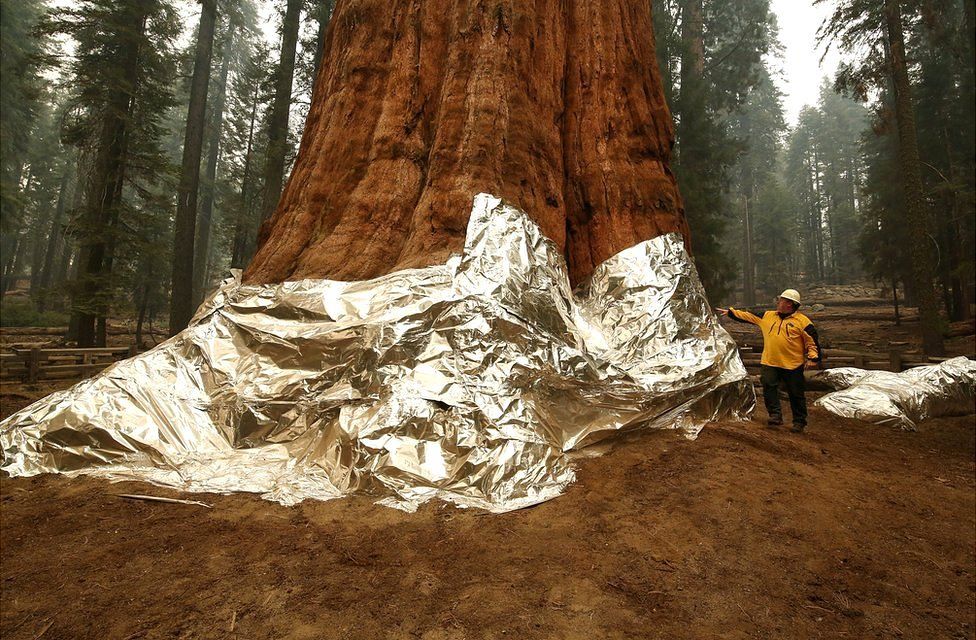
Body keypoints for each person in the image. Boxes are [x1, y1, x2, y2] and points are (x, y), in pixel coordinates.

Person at [717, 289, 822, 433]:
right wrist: (731, 312)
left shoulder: (803, 322)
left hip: (793, 365)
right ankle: (775, 415)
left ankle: (799, 421)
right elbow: (749, 316)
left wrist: (813, 358)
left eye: (782, 300)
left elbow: (812, 342)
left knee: (796, 393)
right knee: (769, 387)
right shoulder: (768, 316)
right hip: (770, 362)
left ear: (790, 304)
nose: (779, 302)